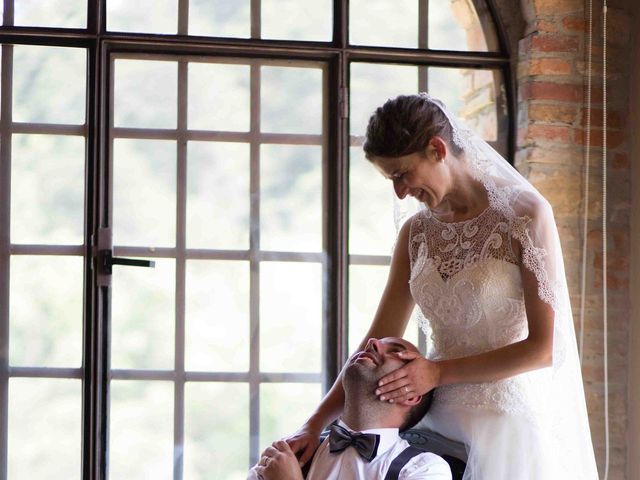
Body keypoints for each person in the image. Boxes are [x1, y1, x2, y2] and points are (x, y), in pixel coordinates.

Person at [285, 93, 599, 479]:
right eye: (390, 180)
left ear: (437, 149)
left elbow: (544, 349)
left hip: (503, 430)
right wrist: (314, 423)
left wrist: (435, 373)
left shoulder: (525, 216)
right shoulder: (415, 234)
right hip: (428, 426)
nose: (400, 192)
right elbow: (376, 337)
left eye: (401, 175)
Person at [248, 337, 452, 480]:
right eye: (376, 342)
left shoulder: (424, 469)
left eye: (396, 351)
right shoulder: (288, 454)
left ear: (411, 395)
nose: (372, 342)